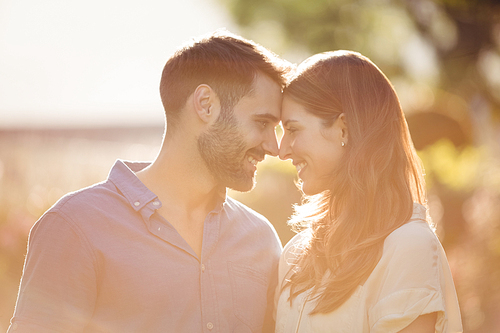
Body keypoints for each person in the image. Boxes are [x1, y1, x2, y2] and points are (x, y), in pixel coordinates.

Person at [8, 30, 290, 333]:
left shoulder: (261, 240)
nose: (273, 147)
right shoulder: (76, 226)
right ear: (206, 104)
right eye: (262, 123)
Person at [275, 51, 463, 332]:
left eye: (293, 129)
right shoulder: (296, 254)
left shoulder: (409, 248)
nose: (282, 150)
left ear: (343, 129)